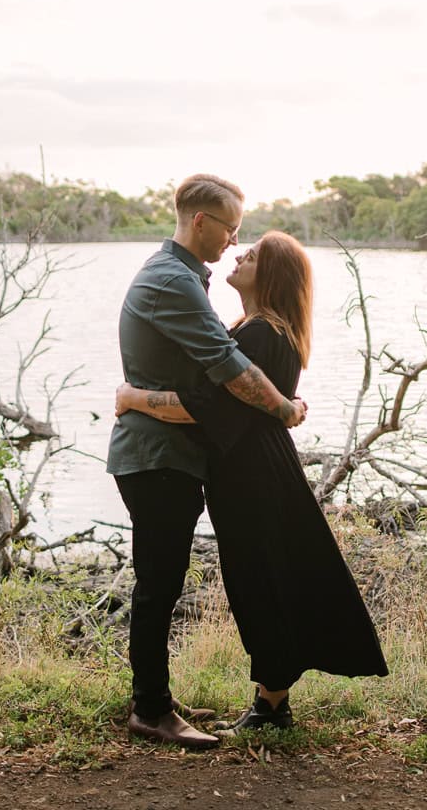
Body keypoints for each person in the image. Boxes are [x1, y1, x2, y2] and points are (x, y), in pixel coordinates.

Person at [116, 230, 388, 734]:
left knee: (260, 582)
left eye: (255, 253)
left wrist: (133, 397)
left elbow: (202, 410)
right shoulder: (258, 330)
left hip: (253, 476)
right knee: (266, 577)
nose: (240, 253)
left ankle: (271, 706)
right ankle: (272, 700)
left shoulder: (261, 334)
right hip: (256, 470)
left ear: (273, 276)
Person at [108, 174, 308, 751]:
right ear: (202, 222)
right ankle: (149, 710)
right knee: (159, 584)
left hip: (170, 455)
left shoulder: (185, 277)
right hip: (156, 457)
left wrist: (136, 397)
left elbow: (209, 380)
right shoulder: (173, 279)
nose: (233, 240)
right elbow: (230, 371)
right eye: (230, 229)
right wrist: (286, 409)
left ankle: (155, 696)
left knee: (162, 581)